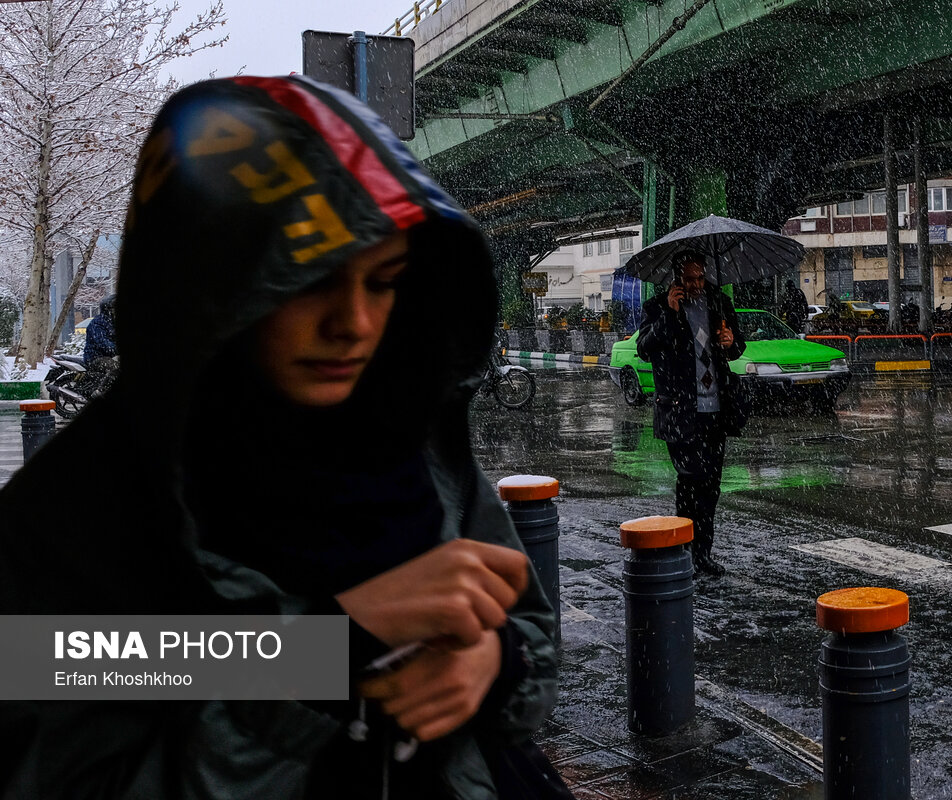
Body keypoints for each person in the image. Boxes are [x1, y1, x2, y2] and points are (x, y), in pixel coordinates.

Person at [0, 76, 558, 798]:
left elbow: (528, 630)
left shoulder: (408, 443)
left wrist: (495, 660)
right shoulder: (70, 517)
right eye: (310, 283)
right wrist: (326, 651)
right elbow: (71, 697)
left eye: (384, 281)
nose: (353, 324)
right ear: (207, 291)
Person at [636, 251, 747, 577]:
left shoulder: (719, 302)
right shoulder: (657, 307)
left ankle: (703, 554)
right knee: (690, 482)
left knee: (711, 486)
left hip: (715, 409)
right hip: (679, 412)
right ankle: (685, 553)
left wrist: (731, 341)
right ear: (677, 278)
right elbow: (645, 349)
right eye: (690, 279)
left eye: (700, 277)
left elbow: (738, 346)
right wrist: (670, 314)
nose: (697, 284)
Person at [81, 294, 117, 394]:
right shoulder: (98, 323)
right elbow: (103, 343)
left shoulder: (113, 323)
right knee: (116, 368)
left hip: (108, 356)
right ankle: (99, 392)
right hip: (95, 357)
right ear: (109, 309)